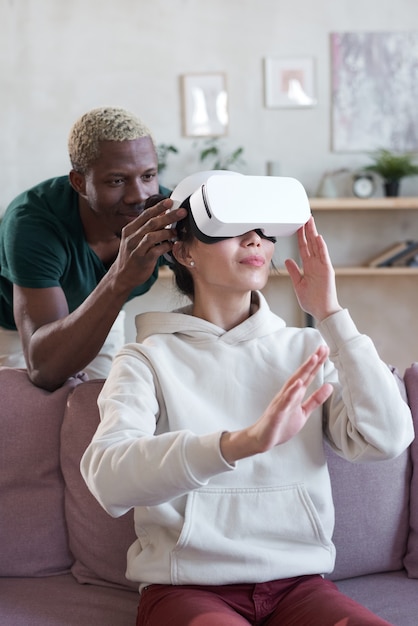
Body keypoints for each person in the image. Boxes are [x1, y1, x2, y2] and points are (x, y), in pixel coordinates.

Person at [80, 177, 414, 626]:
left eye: (261, 228)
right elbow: (108, 478)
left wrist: (332, 314)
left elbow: (388, 438)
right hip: (187, 588)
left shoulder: (306, 348)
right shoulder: (146, 359)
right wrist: (238, 444)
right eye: (230, 226)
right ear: (184, 250)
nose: (254, 238)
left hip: (299, 585)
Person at [0, 106, 186, 391]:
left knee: (101, 409)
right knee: (33, 418)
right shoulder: (32, 224)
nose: (139, 195)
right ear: (79, 183)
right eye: (117, 180)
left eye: (148, 176)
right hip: (17, 331)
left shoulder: (163, 210)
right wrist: (121, 278)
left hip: (101, 310)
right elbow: (44, 368)